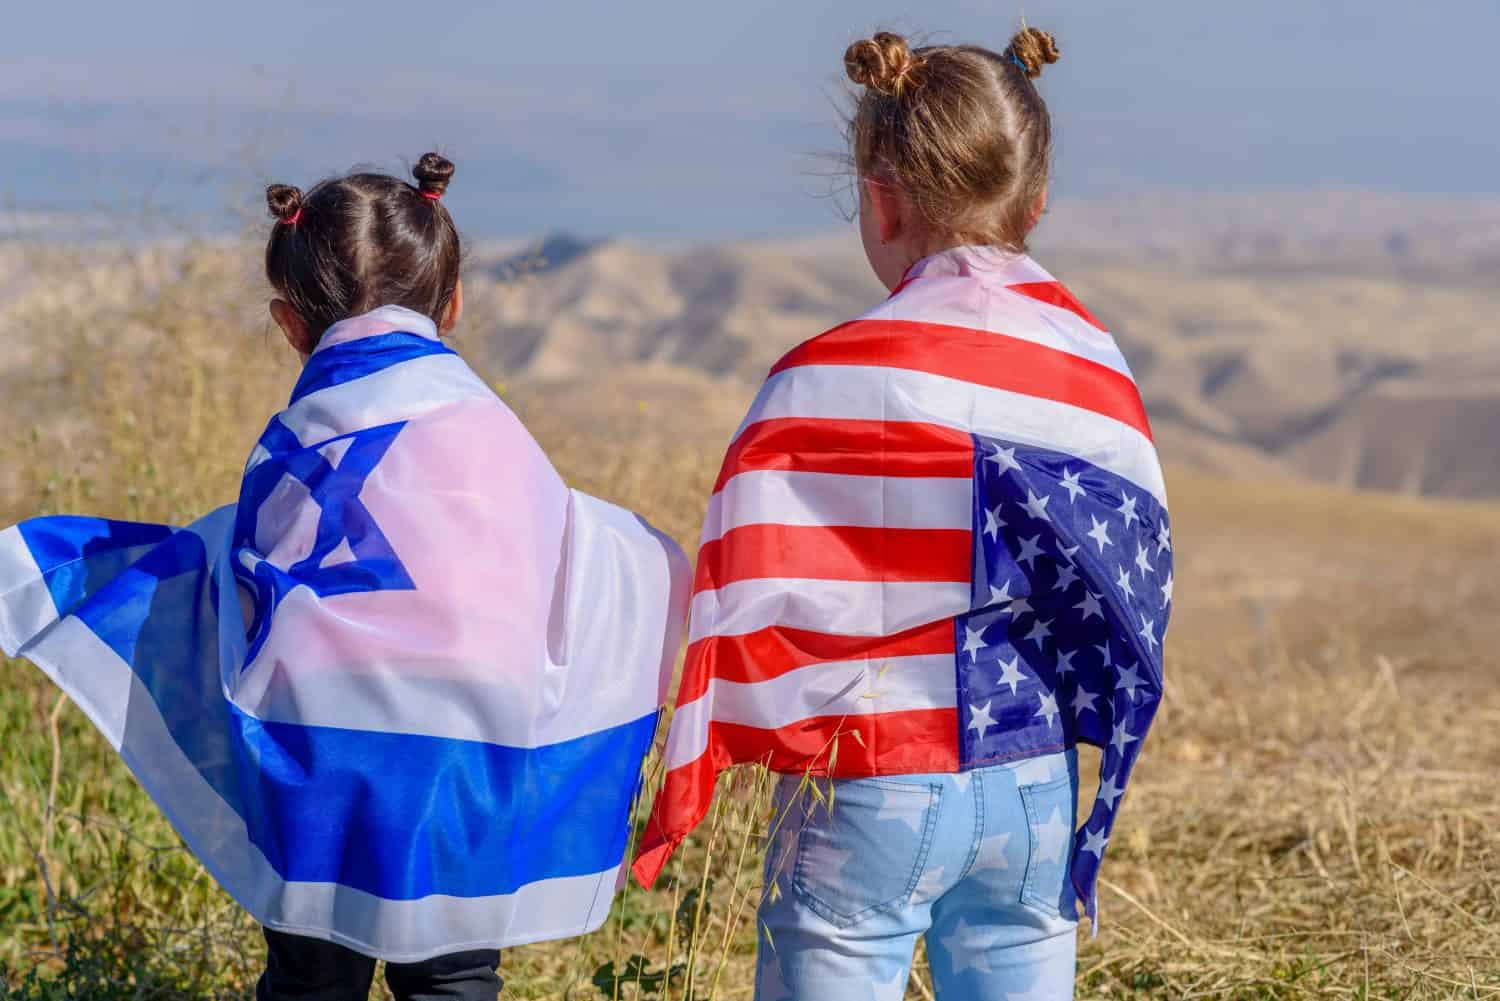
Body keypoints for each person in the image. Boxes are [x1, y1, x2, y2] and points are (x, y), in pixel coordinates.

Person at [0, 154, 689, 1001]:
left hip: (317, 759)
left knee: (310, 976)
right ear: (455, 300)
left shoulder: (296, 439)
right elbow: (571, 549)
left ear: (290, 324)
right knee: (454, 976)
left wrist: (112, 568)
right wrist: (660, 559)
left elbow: (245, 584)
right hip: (470, 761)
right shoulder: (494, 433)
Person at [633, 28, 1174, 1001]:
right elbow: (1127, 573)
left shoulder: (821, 375)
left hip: (865, 778)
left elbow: (744, 586)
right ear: (1036, 201)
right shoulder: (1094, 366)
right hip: (1039, 778)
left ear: (879, 197)